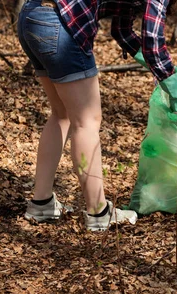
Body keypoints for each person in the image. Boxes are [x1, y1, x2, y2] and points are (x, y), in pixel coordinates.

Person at [17, 0, 139, 231]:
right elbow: (153, 38)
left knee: (61, 113)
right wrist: (166, 73)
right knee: (87, 122)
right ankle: (99, 212)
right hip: (58, 23)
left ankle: (41, 204)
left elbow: (122, 29)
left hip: (31, 16)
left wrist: (141, 54)